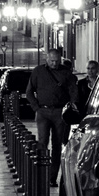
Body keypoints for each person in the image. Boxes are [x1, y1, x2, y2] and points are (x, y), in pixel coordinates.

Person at [26, 48, 78, 185]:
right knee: (42, 142)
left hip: (59, 112)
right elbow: (29, 91)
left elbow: (73, 91)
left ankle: (52, 177)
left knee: (57, 145)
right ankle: (41, 175)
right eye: (52, 61)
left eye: (57, 61)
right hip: (43, 111)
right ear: (47, 59)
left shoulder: (65, 73)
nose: (54, 63)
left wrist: (71, 106)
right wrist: (36, 108)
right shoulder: (38, 72)